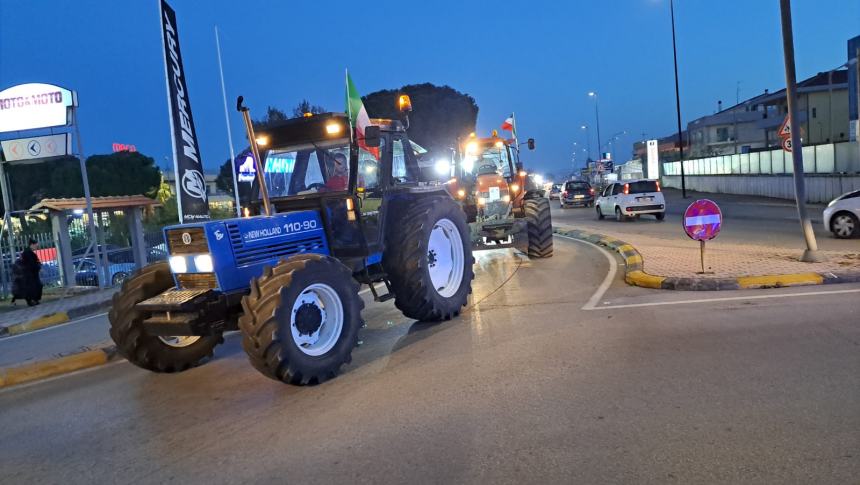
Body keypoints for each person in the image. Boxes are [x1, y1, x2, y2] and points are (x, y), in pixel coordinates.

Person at [16, 239, 43, 306]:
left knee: (35, 286)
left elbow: (35, 261)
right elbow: (31, 263)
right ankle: (32, 301)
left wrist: (38, 265)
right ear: (32, 245)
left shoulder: (29, 252)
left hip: (31, 273)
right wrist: (38, 266)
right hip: (30, 273)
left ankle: (34, 300)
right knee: (33, 286)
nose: (36, 247)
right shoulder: (28, 253)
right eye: (36, 246)